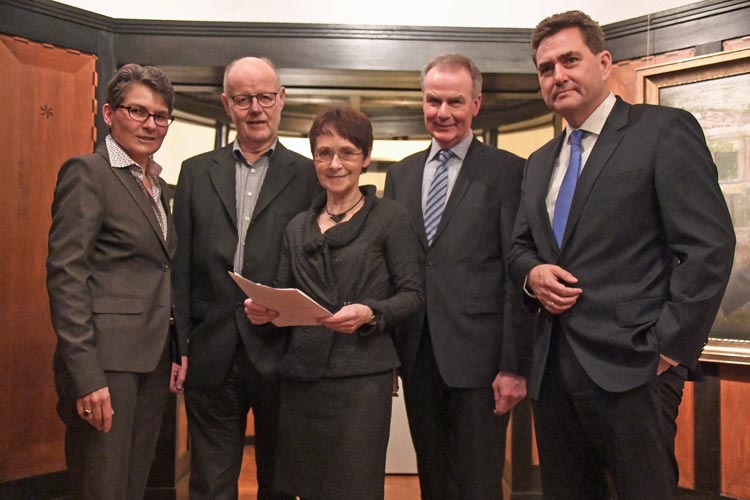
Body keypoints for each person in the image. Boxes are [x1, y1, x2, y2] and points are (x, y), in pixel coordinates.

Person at [508, 11, 736, 500]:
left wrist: (669, 350)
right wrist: (533, 273)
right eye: (546, 68)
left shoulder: (663, 131)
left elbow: (708, 247)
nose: (558, 75)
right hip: (552, 369)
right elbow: (520, 248)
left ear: (604, 61)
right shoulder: (538, 162)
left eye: (570, 59)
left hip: (636, 366)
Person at [244, 107, 423, 500]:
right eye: (324, 153)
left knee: (354, 487)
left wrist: (371, 312)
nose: (335, 163)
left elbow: (412, 294)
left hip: (362, 378)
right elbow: (283, 292)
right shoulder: (297, 227)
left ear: (366, 157)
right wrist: (265, 311)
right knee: (303, 487)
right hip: (303, 378)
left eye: (346, 152)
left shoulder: (390, 218)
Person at [383, 53, 533, 500]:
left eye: (454, 101)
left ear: (476, 104)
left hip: (482, 361)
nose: (442, 112)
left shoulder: (509, 171)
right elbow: (394, 271)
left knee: (477, 484)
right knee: (433, 479)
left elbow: (515, 270)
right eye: (433, 101)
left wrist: (513, 364)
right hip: (417, 355)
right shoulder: (401, 174)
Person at [172, 56, 320, 500]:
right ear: (226, 104)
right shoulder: (196, 171)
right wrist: (181, 345)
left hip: (279, 351)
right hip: (210, 350)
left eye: (264, 97)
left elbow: (316, 269)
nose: (255, 108)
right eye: (242, 99)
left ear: (281, 99)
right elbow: (180, 268)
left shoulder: (310, 176)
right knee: (211, 484)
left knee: (279, 483)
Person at [46, 63, 181, 500]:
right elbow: (67, 276)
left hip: (151, 360)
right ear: (109, 113)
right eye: (137, 111)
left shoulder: (154, 184)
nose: (150, 124)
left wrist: (176, 349)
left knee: (130, 485)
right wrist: (86, 375)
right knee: (100, 486)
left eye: (160, 116)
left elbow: (158, 271)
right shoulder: (87, 173)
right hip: (105, 366)